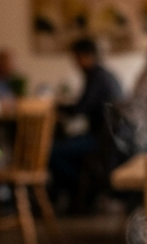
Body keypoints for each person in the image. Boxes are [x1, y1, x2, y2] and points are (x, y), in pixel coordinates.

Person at [49, 38, 123, 207]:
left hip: (102, 139)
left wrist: (58, 108)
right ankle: (82, 189)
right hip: (107, 137)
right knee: (64, 145)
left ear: (85, 56)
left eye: (76, 57)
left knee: (52, 152)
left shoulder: (97, 76)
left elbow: (81, 108)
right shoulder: (101, 74)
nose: (75, 63)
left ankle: (83, 187)